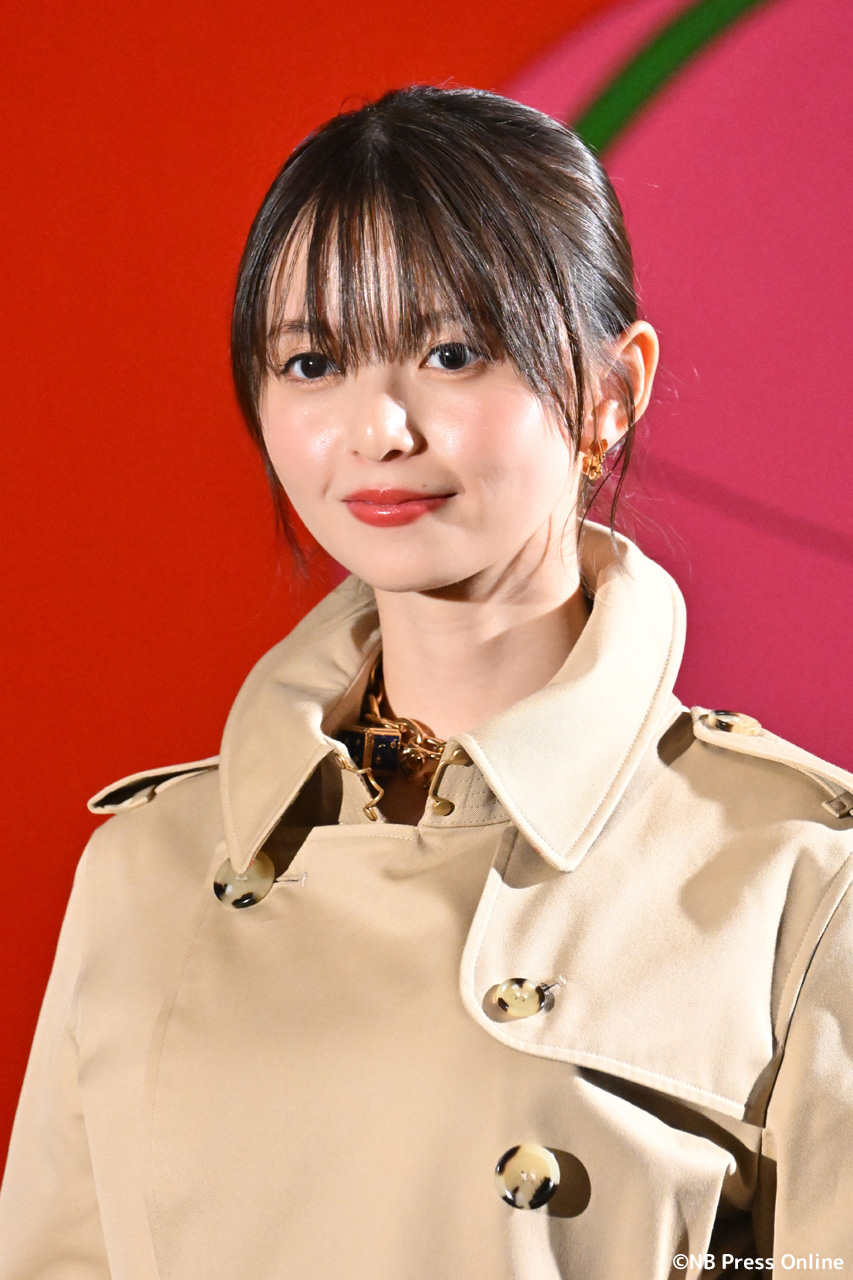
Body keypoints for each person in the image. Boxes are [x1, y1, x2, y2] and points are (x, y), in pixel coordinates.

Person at [1, 83, 852, 1280]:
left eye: (451, 352)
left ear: (610, 392)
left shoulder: (795, 877)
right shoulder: (147, 867)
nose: (379, 428)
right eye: (313, 361)